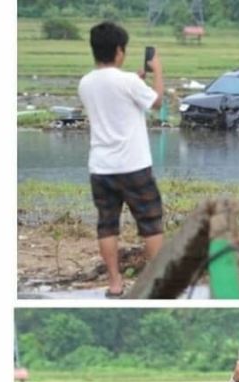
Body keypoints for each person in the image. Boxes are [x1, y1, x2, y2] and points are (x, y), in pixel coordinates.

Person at [78, 22, 165, 297]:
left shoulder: (86, 83)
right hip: (133, 165)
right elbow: (157, 102)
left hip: (101, 167)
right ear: (118, 51)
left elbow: (113, 98)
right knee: (151, 223)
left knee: (107, 224)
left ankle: (115, 283)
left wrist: (135, 80)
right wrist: (158, 71)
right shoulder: (127, 81)